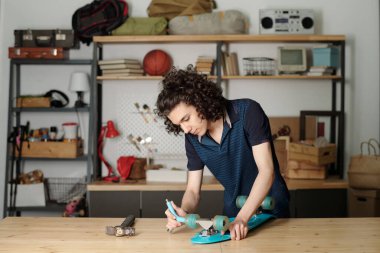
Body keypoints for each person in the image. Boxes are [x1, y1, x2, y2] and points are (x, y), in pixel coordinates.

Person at [155, 66, 290, 241]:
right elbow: (193, 191)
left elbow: (267, 171)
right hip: (234, 216)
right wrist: (184, 211)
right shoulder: (192, 139)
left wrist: (244, 217)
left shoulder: (248, 112)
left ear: (200, 100)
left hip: (273, 209)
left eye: (186, 119)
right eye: (179, 125)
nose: (185, 129)